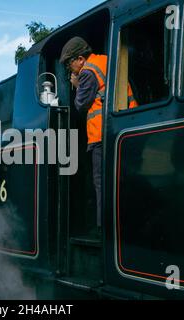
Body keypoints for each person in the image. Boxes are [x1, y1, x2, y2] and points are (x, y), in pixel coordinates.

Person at [59, 37, 138, 233]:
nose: (71, 69)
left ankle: (104, 230)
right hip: (123, 127)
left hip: (101, 135)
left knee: (101, 183)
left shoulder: (88, 71)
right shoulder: (105, 60)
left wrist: (76, 85)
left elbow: (81, 104)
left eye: (70, 64)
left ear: (80, 58)